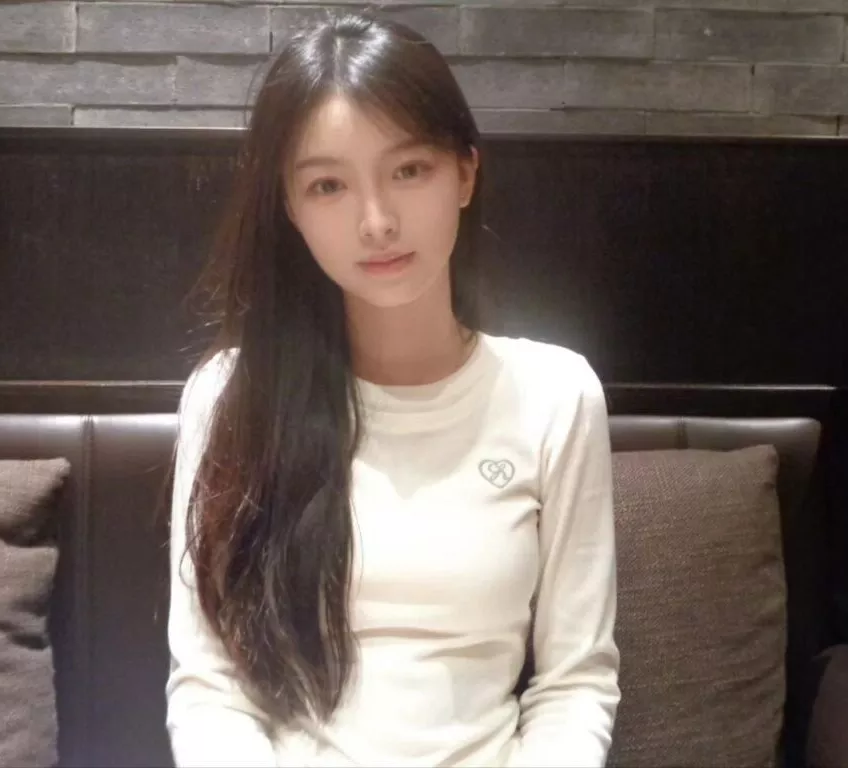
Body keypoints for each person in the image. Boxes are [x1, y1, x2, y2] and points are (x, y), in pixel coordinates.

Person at [165, 12, 619, 768]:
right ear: (290, 206)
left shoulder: (556, 395)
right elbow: (211, 690)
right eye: (329, 185)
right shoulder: (231, 397)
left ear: (465, 173)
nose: (376, 221)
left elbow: (575, 685)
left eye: (409, 170)